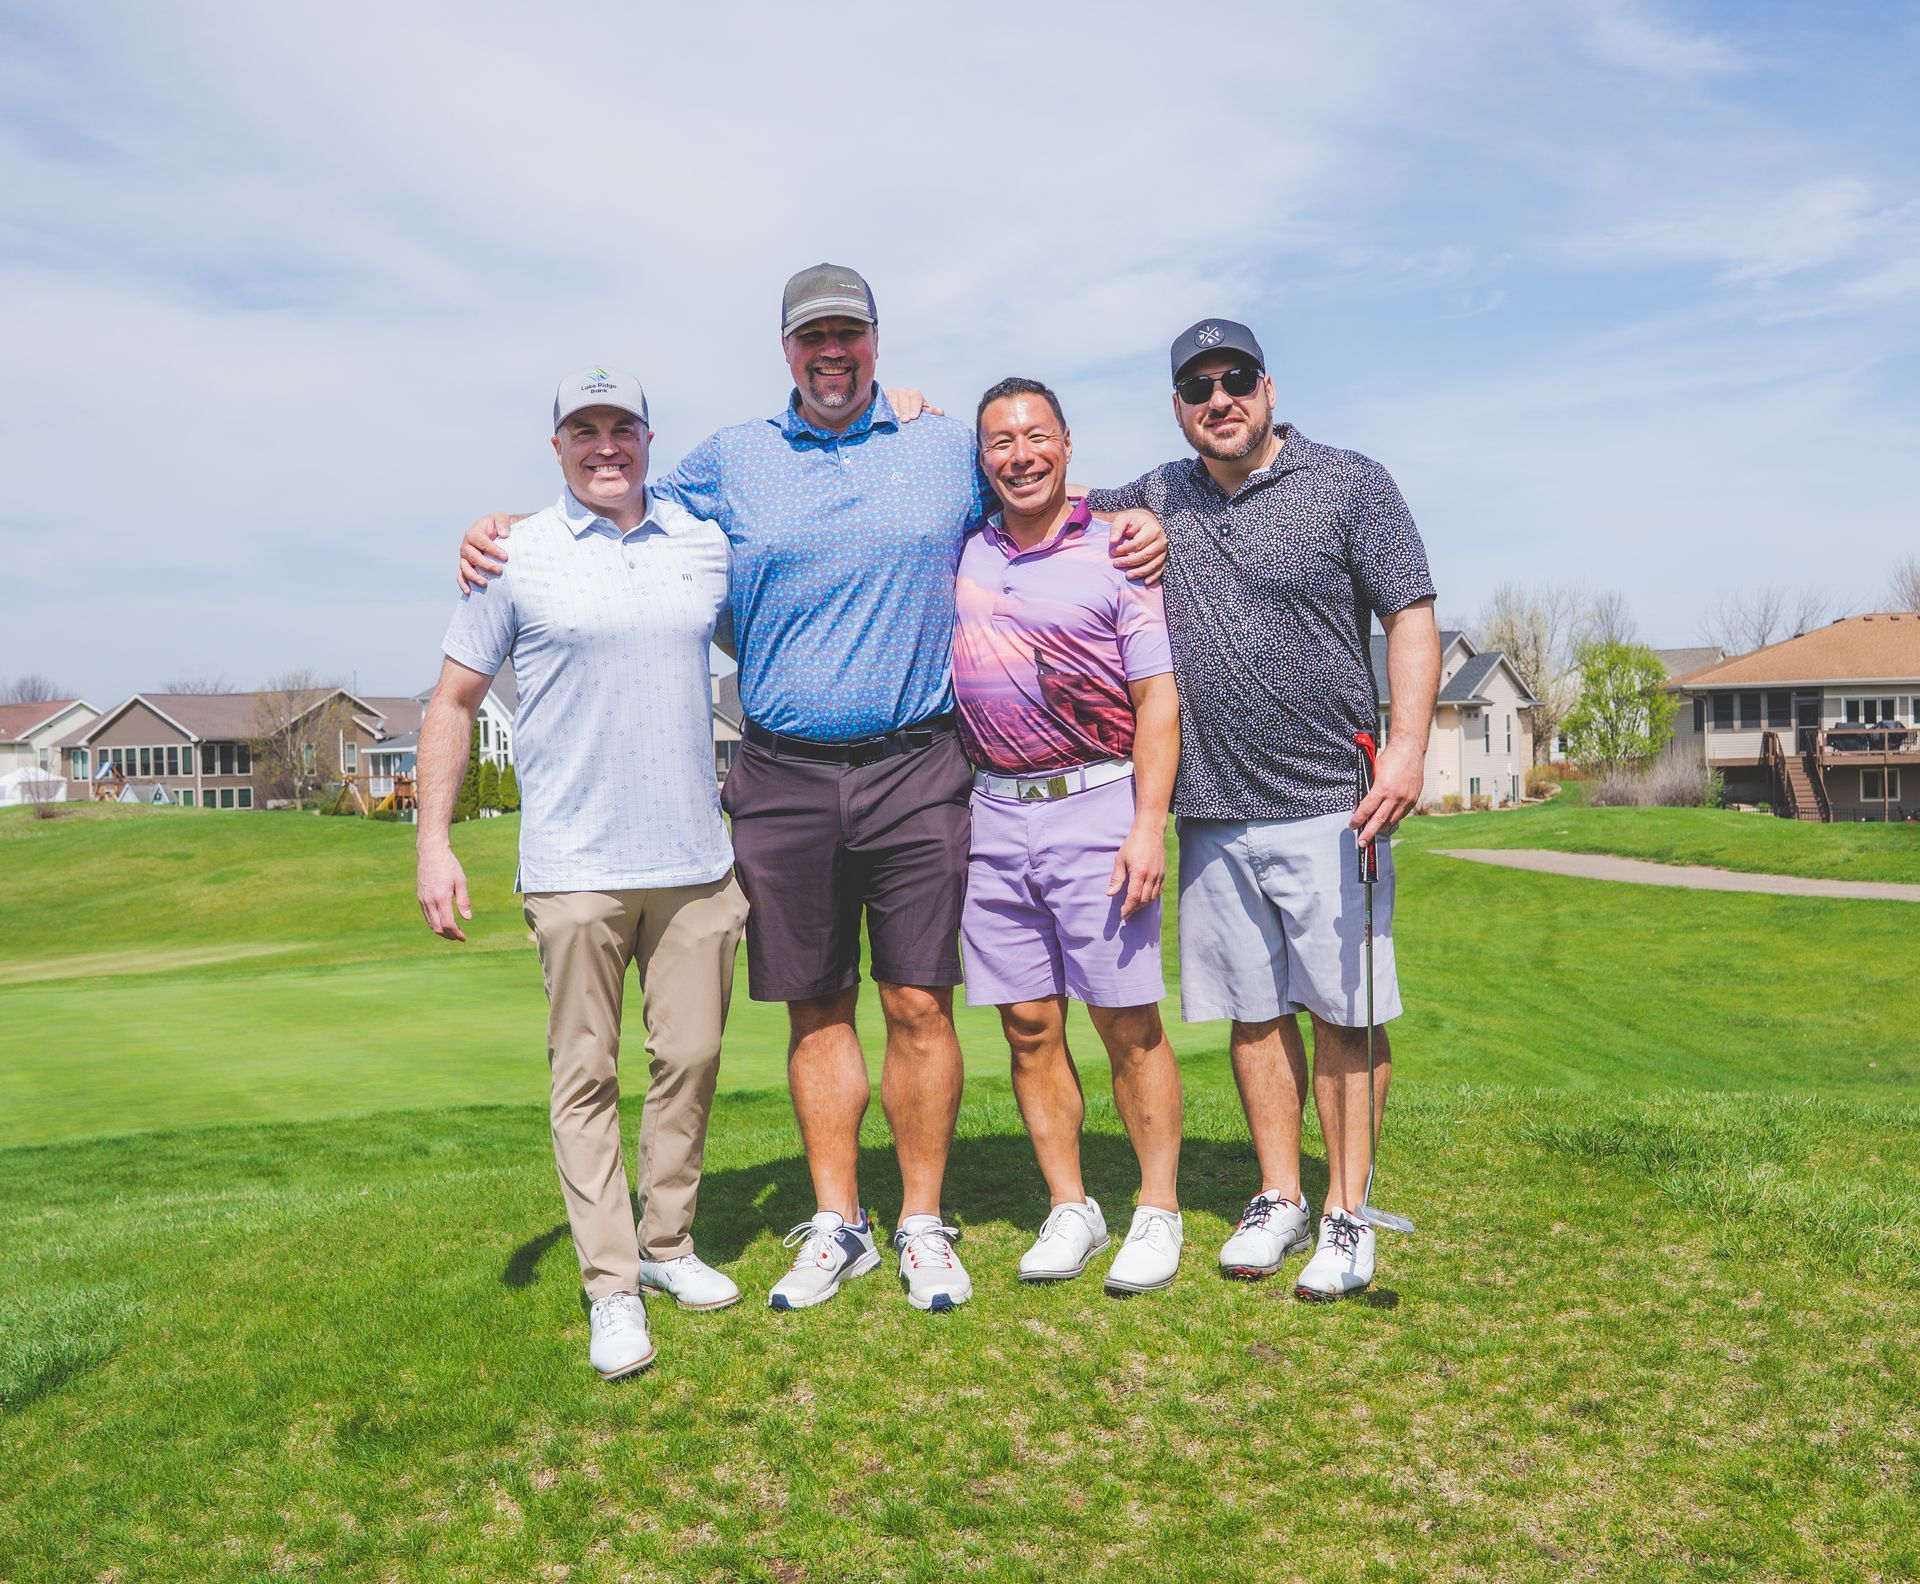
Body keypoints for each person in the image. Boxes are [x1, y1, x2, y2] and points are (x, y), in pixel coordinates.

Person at [455, 267, 1167, 1313]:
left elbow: (1038, 490)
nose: (831, 353)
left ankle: (921, 1221)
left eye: (848, 334)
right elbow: (614, 499)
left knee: (918, 1001)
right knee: (817, 1005)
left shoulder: (939, 445)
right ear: (786, 350)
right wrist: (510, 528)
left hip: (918, 765)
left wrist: (1139, 515)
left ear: (875, 340)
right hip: (782, 773)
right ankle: (840, 1222)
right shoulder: (732, 459)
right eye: (811, 338)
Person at [1084, 319, 1441, 1301]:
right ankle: (1280, 1195)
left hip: (1335, 801)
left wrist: (1409, 749)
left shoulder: (1352, 483)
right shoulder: (1160, 494)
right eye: (1199, 388)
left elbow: (1410, 614)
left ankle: (1347, 1212)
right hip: (1212, 812)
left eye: (1236, 378)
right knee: (1252, 1016)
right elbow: (1033, 494)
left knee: (1344, 1017)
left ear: (1269, 388)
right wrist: (921, 422)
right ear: (1177, 408)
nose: (1220, 399)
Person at [417, 369, 750, 1380]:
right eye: (584, 429)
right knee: (587, 1076)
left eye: (622, 427)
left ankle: (667, 1245)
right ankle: (612, 1287)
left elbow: (780, 626)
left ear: (648, 437)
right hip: (573, 865)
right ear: (557, 445)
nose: (606, 445)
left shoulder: (703, 544)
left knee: (689, 1057)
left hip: (695, 861)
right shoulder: (512, 554)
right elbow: (451, 702)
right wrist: (433, 842)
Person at [957, 378, 1185, 1295]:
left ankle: (1158, 1208)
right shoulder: (966, 548)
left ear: (1066, 443)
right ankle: (1071, 1206)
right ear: (982, 459)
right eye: (1001, 442)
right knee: (1027, 1025)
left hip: (1097, 802)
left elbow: (1156, 699)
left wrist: (1147, 824)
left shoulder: (1117, 551)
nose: (1021, 455)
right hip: (992, 810)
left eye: (1037, 436)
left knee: (1127, 1022)